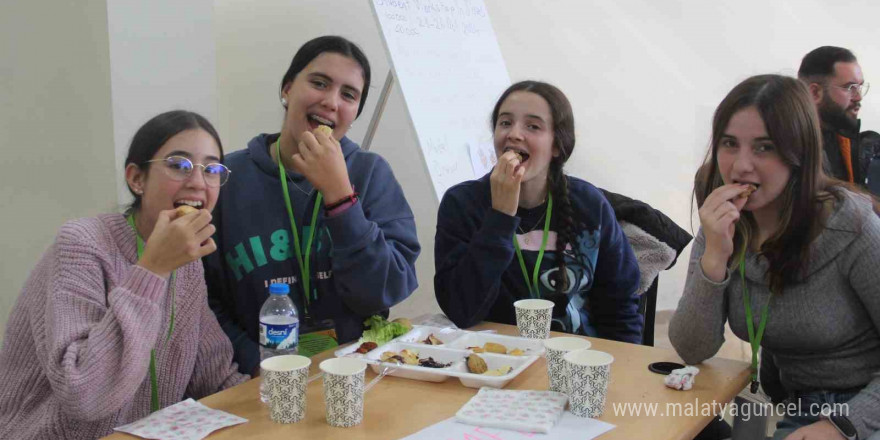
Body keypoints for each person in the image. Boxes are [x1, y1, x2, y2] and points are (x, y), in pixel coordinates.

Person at [0, 110, 247, 439]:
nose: (199, 182)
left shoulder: (186, 262)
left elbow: (214, 375)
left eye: (212, 169)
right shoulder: (82, 245)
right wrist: (152, 269)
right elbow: (85, 395)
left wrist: (267, 402)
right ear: (136, 178)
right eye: (179, 165)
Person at [670, 74, 880, 440]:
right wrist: (715, 257)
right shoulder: (722, 221)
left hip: (862, 408)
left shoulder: (851, 226)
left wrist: (843, 426)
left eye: (764, 147)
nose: (741, 166)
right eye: (730, 144)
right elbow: (692, 348)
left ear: (798, 153)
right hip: (796, 406)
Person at [204, 35, 420, 372]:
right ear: (287, 89)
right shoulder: (227, 178)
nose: (331, 102)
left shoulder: (370, 173)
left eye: (348, 95)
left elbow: (385, 290)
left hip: (354, 371)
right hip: (251, 378)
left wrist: (342, 200)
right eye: (319, 83)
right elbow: (203, 299)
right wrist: (257, 364)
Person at [434, 80, 642, 343]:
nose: (514, 134)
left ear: (556, 145)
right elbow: (461, 311)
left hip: (575, 359)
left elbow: (621, 308)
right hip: (493, 358)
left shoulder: (589, 204)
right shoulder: (462, 203)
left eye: (532, 126)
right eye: (505, 123)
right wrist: (500, 217)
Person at [798, 46, 880, 194]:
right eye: (849, 87)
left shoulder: (870, 147)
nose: (858, 97)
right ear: (815, 93)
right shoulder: (789, 152)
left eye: (859, 87)